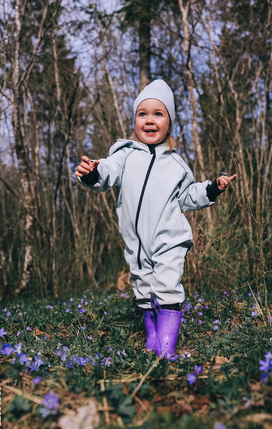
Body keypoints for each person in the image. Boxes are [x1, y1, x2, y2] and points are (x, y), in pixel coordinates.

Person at [75, 80, 236, 358]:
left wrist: (212, 188)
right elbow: (106, 173)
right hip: (136, 244)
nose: (150, 120)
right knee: (143, 286)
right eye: (143, 113)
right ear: (135, 121)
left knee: (167, 285)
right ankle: (152, 338)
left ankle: (166, 346)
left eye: (158, 114)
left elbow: (187, 195)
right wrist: (91, 173)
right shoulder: (123, 156)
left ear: (169, 123)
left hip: (169, 238)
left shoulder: (176, 164)